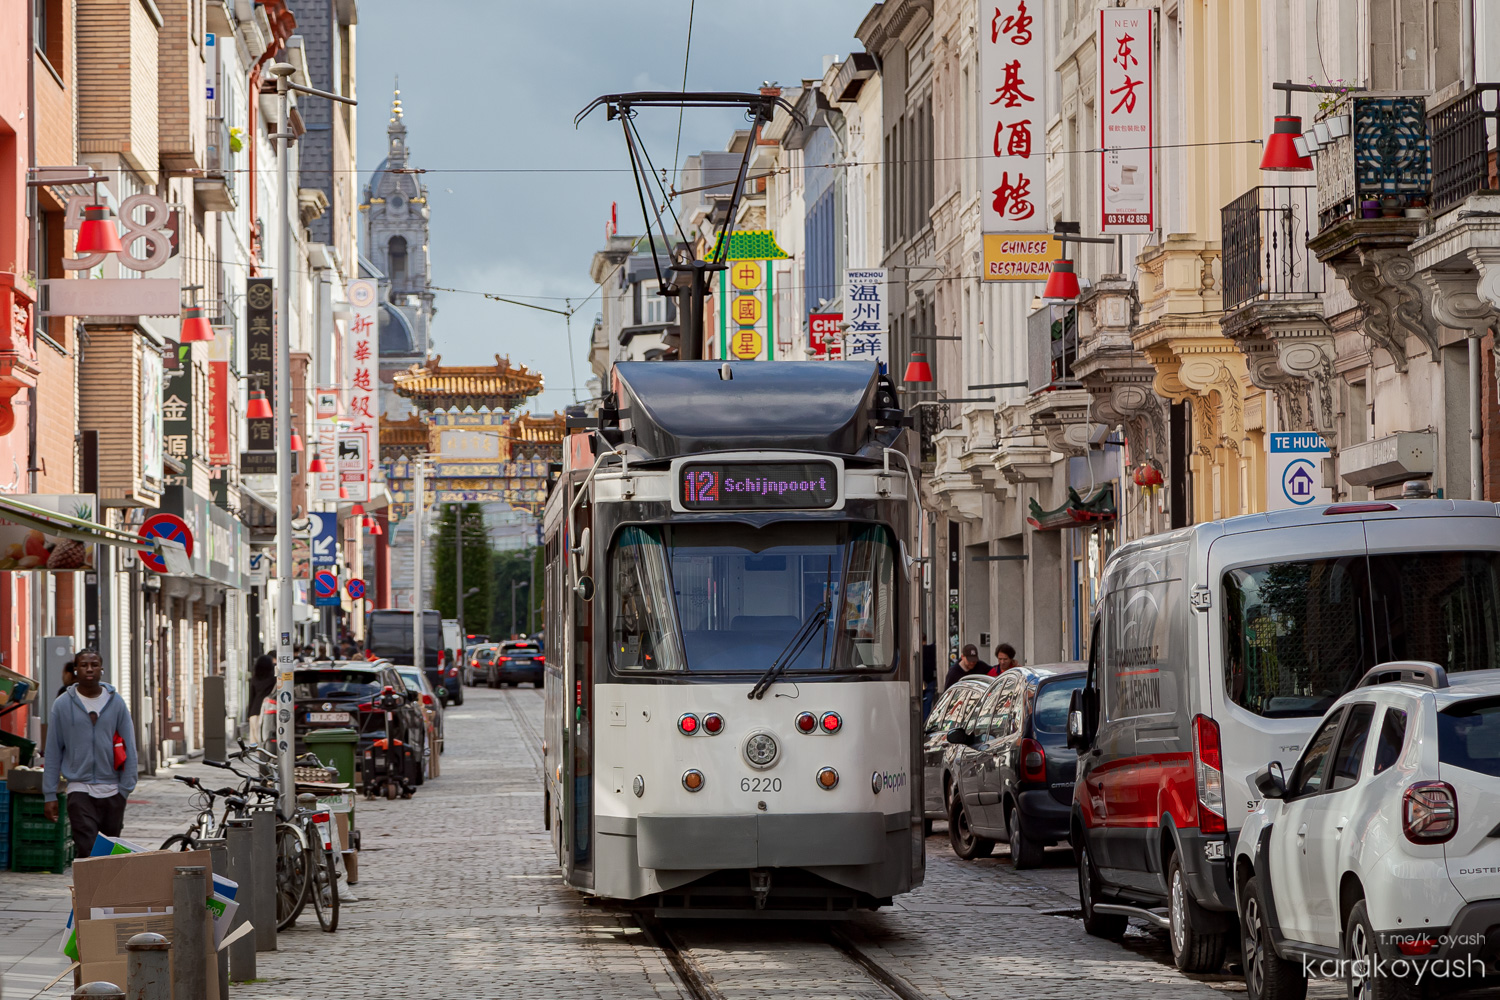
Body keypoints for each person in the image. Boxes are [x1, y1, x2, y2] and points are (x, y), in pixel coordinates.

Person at [42, 648, 138, 860]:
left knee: (109, 853)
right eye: (84, 665)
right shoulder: (63, 705)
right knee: (87, 849)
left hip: (113, 790)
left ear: (102, 669)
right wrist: (49, 794)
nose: (89, 669)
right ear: (75, 670)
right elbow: (53, 751)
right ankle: (89, 893)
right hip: (79, 788)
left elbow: (130, 746)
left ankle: (105, 893)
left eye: (94, 665)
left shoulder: (116, 703)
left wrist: (125, 788)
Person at [247, 653, 277, 734]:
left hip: (255, 711)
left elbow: (251, 697)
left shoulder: (254, 679)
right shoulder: (273, 679)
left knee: (254, 742)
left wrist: (249, 714)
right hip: (268, 711)